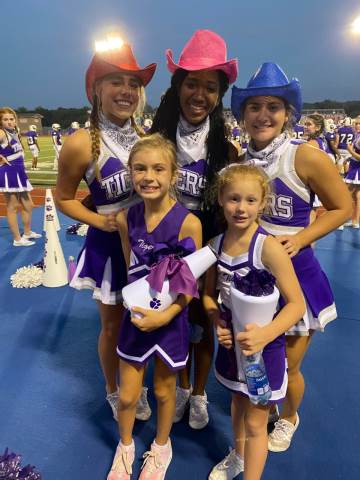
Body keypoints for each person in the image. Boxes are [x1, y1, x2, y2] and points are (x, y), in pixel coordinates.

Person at [231, 62, 351, 453]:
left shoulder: (306, 157)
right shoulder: (237, 162)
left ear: (287, 114)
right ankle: (265, 408)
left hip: (297, 277)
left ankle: (288, 418)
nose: (263, 115)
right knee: (258, 357)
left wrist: (301, 238)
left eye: (273, 107)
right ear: (243, 114)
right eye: (254, 107)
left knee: (291, 366)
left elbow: (343, 207)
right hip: (253, 280)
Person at [55, 40, 156, 421]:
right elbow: (63, 198)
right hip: (109, 248)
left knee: (143, 320)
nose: (126, 91)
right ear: (96, 88)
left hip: (146, 246)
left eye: (133, 83)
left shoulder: (145, 138)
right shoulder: (81, 142)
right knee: (112, 326)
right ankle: (114, 389)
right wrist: (102, 221)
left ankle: (137, 384)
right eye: (115, 81)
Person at [150, 29, 238, 429]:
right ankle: (181, 384)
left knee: (205, 321)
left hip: (208, 252)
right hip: (163, 249)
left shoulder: (227, 151)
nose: (199, 94)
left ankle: (199, 392)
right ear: (178, 86)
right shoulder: (156, 140)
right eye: (192, 84)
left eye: (210, 87)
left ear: (219, 96)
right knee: (173, 322)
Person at [108, 133, 202, 480]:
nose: (149, 176)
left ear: (173, 175)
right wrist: (137, 307)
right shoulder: (124, 219)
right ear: (131, 173)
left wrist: (166, 314)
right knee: (129, 396)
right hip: (136, 318)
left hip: (170, 320)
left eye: (159, 169)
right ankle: (126, 446)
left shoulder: (189, 223)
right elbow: (130, 267)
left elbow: (189, 285)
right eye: (140, 169)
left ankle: (162, 446)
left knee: (164, 391)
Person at [204, 164, 305, 480]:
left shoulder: (269, 247)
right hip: (232, 345)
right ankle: (238, 455)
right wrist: (216, 321)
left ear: (263, 203)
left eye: (250, 200)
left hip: (266, 349)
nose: (241, 207)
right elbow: (208, 296)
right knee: (237, 401)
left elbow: (297, 305)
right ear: (220, 198)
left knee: (256, 420)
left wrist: (267, 334)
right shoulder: (215, 246)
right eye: (234, 198)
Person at [0, 107, 41, 246]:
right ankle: (17, 239)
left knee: (28, 205)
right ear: (1, 122)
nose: (9, 122)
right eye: (5, 119)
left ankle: (27, 232)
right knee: (12, 207)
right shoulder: (2, 133)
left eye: (11, 119)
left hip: (19, 171)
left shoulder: (15, 131)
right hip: (9, 172)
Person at [344, 115, 360, 228]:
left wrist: (350, 151)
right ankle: (355, 220)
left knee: (346, 193)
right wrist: (350, 157)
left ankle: (343, 219)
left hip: (357, 168)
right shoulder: (357, 135)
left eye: (359, 124)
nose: (357, 126)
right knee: (357, 195)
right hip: (355, 166)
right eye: (356, 123)